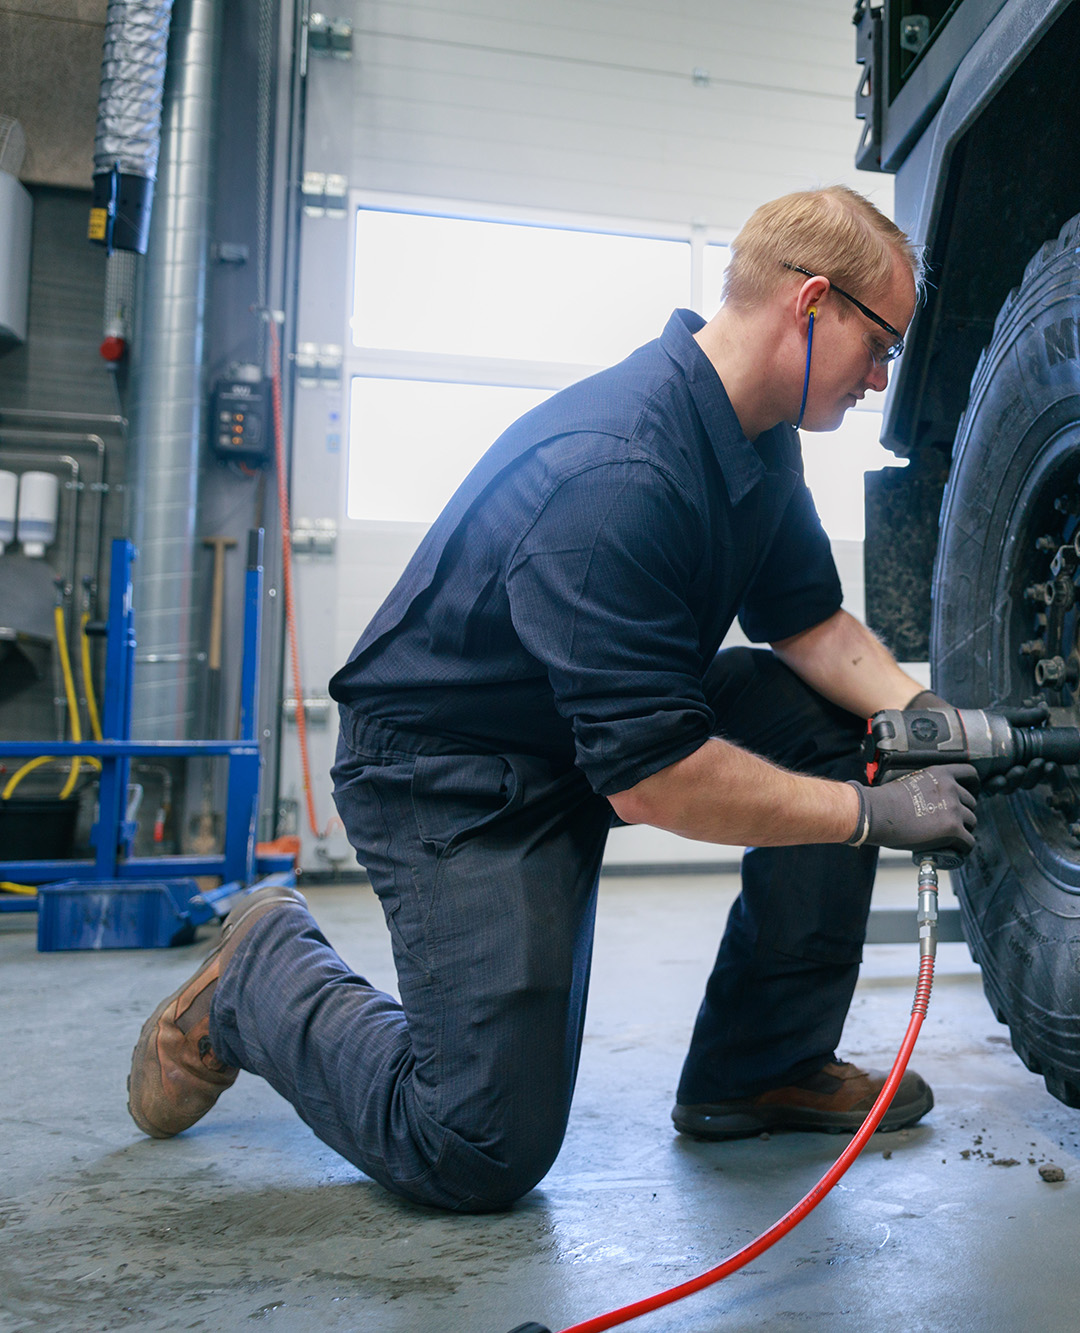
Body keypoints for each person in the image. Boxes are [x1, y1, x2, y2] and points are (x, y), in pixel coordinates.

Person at [124, 186, 988, 1213]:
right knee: (477, 1143)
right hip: (454, 769)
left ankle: (760, 1065)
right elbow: (655, 778)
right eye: (881, 343)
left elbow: (807, 626)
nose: (882, 378)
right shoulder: (617, 473)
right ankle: (261, 972)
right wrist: (871, 812)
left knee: (834, 726)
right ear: (812, 306)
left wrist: (921, 716)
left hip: (585, 725)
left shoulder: (757, 433)